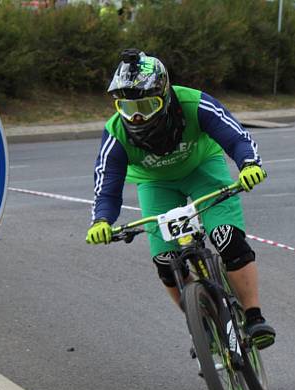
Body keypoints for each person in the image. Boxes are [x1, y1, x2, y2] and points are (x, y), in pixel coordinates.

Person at [86, 49, 276, 350]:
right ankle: (201, 325)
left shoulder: (194, 103)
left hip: (203, 168)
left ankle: (254, 317)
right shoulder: (116, 132)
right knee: (165, 262)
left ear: (164, 96)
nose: (136, 116)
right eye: (126, 106)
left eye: (146, 106)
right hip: (155, 184)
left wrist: (249, 165)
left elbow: (236, 137)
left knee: (228, 240)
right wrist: (101, 221)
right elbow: (107, 185)